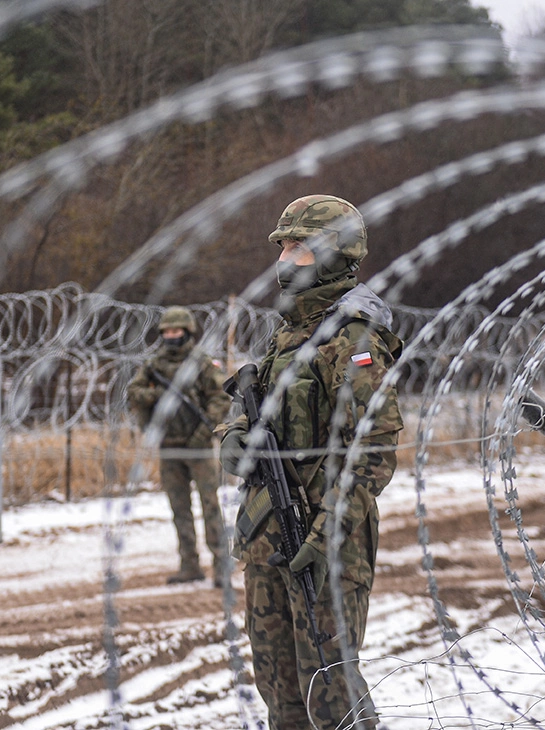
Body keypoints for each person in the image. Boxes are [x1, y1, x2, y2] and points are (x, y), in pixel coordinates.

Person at [219, 195, 403, 729]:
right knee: (278, 691)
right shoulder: (289, 333)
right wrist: (233, 436)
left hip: (325, 538)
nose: (285, 259)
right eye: (284, 248)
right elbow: (260, 415)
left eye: (299, 248)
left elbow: (375, 450)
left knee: (331, 692)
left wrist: (327, 532)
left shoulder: (353, 336)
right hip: (266, 533)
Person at [127, 306, 231, 586]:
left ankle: (222, 565)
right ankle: (189, 564)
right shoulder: (154, 366)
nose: (171, 336)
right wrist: (159, 393)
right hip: (169, 447)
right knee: (179, 509)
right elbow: (134, 393)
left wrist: (204, 431)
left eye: (176, 331)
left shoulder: (200, 363)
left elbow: (220, 398)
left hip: (197, 448)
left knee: (210, 506)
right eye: (167, 331)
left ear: (187, 332)